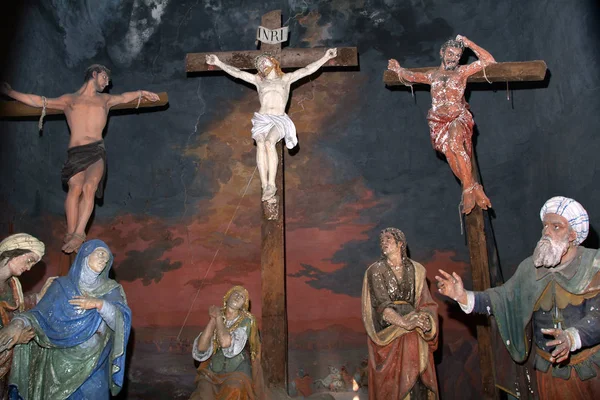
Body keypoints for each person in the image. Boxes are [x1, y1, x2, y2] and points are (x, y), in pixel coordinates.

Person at [436, 196, 600, 399]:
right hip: (545, 374)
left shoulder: (595, 266)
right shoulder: (530, 269)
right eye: (545, 226)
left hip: (589, 375)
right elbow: (502, 299)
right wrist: (462, 296)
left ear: (573, 234)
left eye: (556, 227)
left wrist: (572, 337)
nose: (547, 231)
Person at [1, 66, 160, 253]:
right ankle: (70, 233)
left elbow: (125, 96)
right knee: (75, 187)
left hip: (96, 151)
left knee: (90, 186)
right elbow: (38, 101)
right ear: (94, 74)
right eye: (105, 77)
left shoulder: (105, 100)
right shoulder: (69, 100)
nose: (107, 82)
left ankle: (79, 234)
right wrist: (10, 92)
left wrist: (142, 92)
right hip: (75, 153)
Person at [0, 239, 131, 399]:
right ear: (85, 255)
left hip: (94, 366)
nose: (104, 259)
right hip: (58, 368)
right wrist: (18, 323)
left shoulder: (111, 290)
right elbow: (38, 316)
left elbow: (121, 323)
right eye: (100, 254)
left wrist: (100, 304)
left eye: (107, 257)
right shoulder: (61, 286)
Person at [206, 49, 338, 202]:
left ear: (273, 62)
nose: (261, 64)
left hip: (279, 119)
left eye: (264, 61)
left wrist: (325, 57)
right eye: (259, 65)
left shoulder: (286, 79)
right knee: (261, 143)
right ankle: (265, 186)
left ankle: (271, 184)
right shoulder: (259, 81)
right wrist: (218, 62)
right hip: (262, 119)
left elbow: (307, 70)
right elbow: (237, 73)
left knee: (269, 142)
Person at [387, 35, 496, 214]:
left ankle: (468, 190)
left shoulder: (462, 72)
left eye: (458, 55)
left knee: (455, 143)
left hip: (457, 117)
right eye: (450, 53)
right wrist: (398, 69)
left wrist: (468, 43)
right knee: (449, 153)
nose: (454, 58)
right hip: (438, 122)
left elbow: (488, 60)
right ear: (442, 52)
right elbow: (411, 76)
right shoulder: (432, 75)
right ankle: (472, 186)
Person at [362, 228, 439, 399]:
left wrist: (426, 321)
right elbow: (381, 307)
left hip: (415, 331)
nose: (384, 242)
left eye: (388, 239)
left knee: (419, 381)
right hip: (389, 332)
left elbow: (426, 304)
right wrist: (405, 323)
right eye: (381, 240)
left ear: (400, 244)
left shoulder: (417, 270)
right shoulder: (375, 270)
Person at [0, 233, 54, 399]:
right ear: (15, 251)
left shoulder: (13, 283)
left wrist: (39, 297)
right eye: (29, 260)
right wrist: (15, 338)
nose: (29, 268)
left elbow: (19, 309)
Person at [190, 285, 264, 400]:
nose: (238, 297)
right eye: (235, 294)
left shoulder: (247, 320)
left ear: (244, 305)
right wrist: (212, 320)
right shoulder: (219, 317)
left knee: (234, 389)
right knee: (202, 393)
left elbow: (226, 343)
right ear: (227, 297)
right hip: (213, 372)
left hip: (237, 371)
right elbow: (201, 348)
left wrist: (218, 317)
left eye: (242, 297)